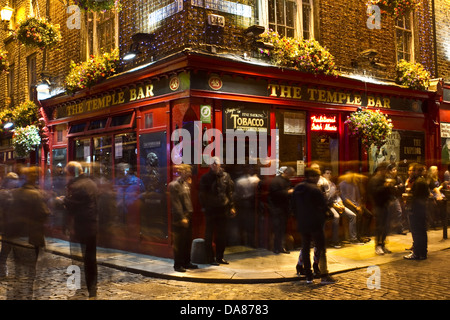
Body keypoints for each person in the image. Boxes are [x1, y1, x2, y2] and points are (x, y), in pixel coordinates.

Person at [5, 167, 49, 299]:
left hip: (15, 235)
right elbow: (44, 212)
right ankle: (27, 294)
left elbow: (8, 212)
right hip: (32, 236)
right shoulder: (35, 194)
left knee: (18, 268)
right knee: (30, 272)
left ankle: (15, 294)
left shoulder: (15, 193)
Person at [63, 161, 99, 299]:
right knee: (91, 258)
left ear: (72, 172)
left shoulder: (76, 186)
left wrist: (63, 201)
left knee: (78, 258)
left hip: (81, 226)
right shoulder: (91, 183)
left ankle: (80, 285)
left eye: (67, 174)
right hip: (92, 225)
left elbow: (73, 205)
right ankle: (92, 288)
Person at [292, 167, 329, 284]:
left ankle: (308, 276)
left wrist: (298, 218)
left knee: (305, 248)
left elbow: (292, 206)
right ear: (312, 177)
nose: (319, 178)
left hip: (303, 222)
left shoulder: (297, 188)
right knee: (321, 247)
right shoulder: (315, 190)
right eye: (317, 176)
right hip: (315, 223)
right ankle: (324, 275)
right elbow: (323, 207)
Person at [199, 157, 235, 265]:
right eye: (212, 164)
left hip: (222, 208)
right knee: (209, 235)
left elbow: (230, 192)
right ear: (210, 165)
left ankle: (220, 257)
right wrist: (205, 207)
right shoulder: (205, 178)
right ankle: (210, 259)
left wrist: (232, 206)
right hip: (210, 209)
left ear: (220, 165)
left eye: (216, 163)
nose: (214, 165)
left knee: (221, 234)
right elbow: (202, 195)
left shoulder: (226, 176)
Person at [169, 164, 197, 272]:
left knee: (187, 241)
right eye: (188, 171)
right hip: (180, 217)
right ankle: (178, 264)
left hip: (188, 215)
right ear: (182, 172)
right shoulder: (174, 185)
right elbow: (176, 203)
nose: (190, 173)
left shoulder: (186, 184)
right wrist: (181, 217)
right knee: (179, 242)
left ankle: (186, 262)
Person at [322, 168, 357, 247]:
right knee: (336, 216)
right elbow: (326, 199)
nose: (329, 175)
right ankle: (335, 240)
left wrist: (341, 203)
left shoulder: (332, 184)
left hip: (337, 204)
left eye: (330, 173)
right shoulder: (322, 184)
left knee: (353, 215)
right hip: (329, 205)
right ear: (323, 175)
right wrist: (335, 203)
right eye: (327, 173)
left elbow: (337, 196)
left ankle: (353, 238)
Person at [368, 162, 394, 255]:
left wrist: (390, 198)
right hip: (378, 206)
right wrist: (385, 186)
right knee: (379, 227)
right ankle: (377, 246)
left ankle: (382, 245)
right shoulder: (375, 179)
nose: (387, 172)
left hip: (385, 205)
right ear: (381, 170)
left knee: (385, 226)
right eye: (386, 170)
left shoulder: (384, 179)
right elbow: (374, 192)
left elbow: (388, 192)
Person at [404, 163, 429, 260]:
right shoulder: (422, 181)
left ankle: (417, 253)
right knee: (422, 231)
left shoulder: (418, 182)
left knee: (417, 231)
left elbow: (416, 197)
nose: (411, 172)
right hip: (421, 209)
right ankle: (422, 253)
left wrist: (408, 195)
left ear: (417, 171)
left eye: (413, 170)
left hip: (416, 209)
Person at [339, 171, 372, 243]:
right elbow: (344, 199)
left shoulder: (354, 184)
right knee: (358, 215)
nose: (350, 177)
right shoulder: (342, 184)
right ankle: (358, 237)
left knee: (369, 215)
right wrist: (356, 207)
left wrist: (360, 206)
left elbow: (359, 197)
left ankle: (363, 234)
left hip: (356, 204)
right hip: (347, 204)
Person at [267, 166, 294, 254]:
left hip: (284, 208)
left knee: (282, 229)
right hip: (276, 208)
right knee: (277, 229)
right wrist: (288, 192)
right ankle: (276, 247)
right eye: (290, 175)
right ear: (286, 173)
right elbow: (274, 194)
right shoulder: (276, 181)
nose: (290, 177)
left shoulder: (286, 180)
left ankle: (281, 247)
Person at [233, 166, 260, 247]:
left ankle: (241, 241)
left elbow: (237, 194)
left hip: (242, 203)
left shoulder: (239, 181)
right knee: (251, 223)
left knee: (242, 222)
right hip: (253, 203)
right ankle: (251, 242)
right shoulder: (257, 180)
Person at [0, 172, 20, 277]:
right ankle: (2, 268)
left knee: (10, 247)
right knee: (6, 247)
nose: (15, 182)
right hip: (6, 224)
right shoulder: (3, 193)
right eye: (14, 180)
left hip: (13, 224)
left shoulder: (14, 192)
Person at [386, 163, 406, 235]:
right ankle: (388, 230)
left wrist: (396, 187)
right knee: (388, 214)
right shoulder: (387, 178)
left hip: (396, 198)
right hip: (388, 198)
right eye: (393, 170)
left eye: (396, 169)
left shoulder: (398, 178)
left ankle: (399, 229)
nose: (395, 171)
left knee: (399, 212)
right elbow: (389, 188)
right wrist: (397, 187)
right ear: (390, 171)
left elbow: (403, 187)